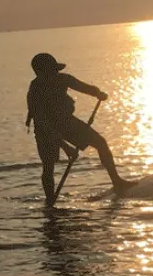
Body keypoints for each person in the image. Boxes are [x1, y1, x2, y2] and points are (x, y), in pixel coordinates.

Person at [25, 52, 136, 206]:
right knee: (48, 165)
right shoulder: (35, 90)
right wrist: (66, 147)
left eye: (55, 70)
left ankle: (117, 182)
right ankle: (50, 200)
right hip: (45, 130)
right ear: (41, 73)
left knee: (100, 143)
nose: (56, 73)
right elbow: (42, 123)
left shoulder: (62, 79)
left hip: (65, 122)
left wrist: (98, 93)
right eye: (51, 71)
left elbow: (83, 87)